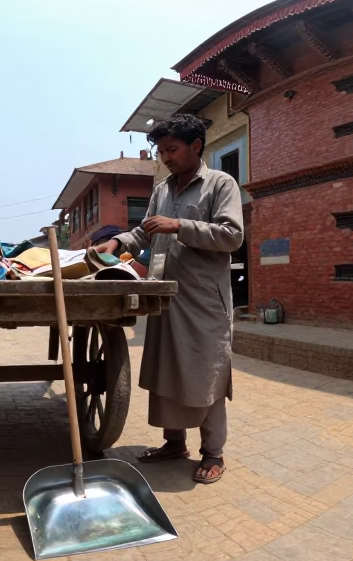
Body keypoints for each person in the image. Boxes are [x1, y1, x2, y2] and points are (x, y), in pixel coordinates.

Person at [91, 114, 243, 483]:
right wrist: (117, 242)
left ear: (196, 146)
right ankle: (174, 442)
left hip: (203, 302)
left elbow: (232, 235)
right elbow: (144, 233)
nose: (166, 157)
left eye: (172, 149)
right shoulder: (161, 190)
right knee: (167, 375)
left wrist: (180, 226)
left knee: (205, 375)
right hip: (163, 298)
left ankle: (214, 453)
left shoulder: (220, 184)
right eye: (161, 151)